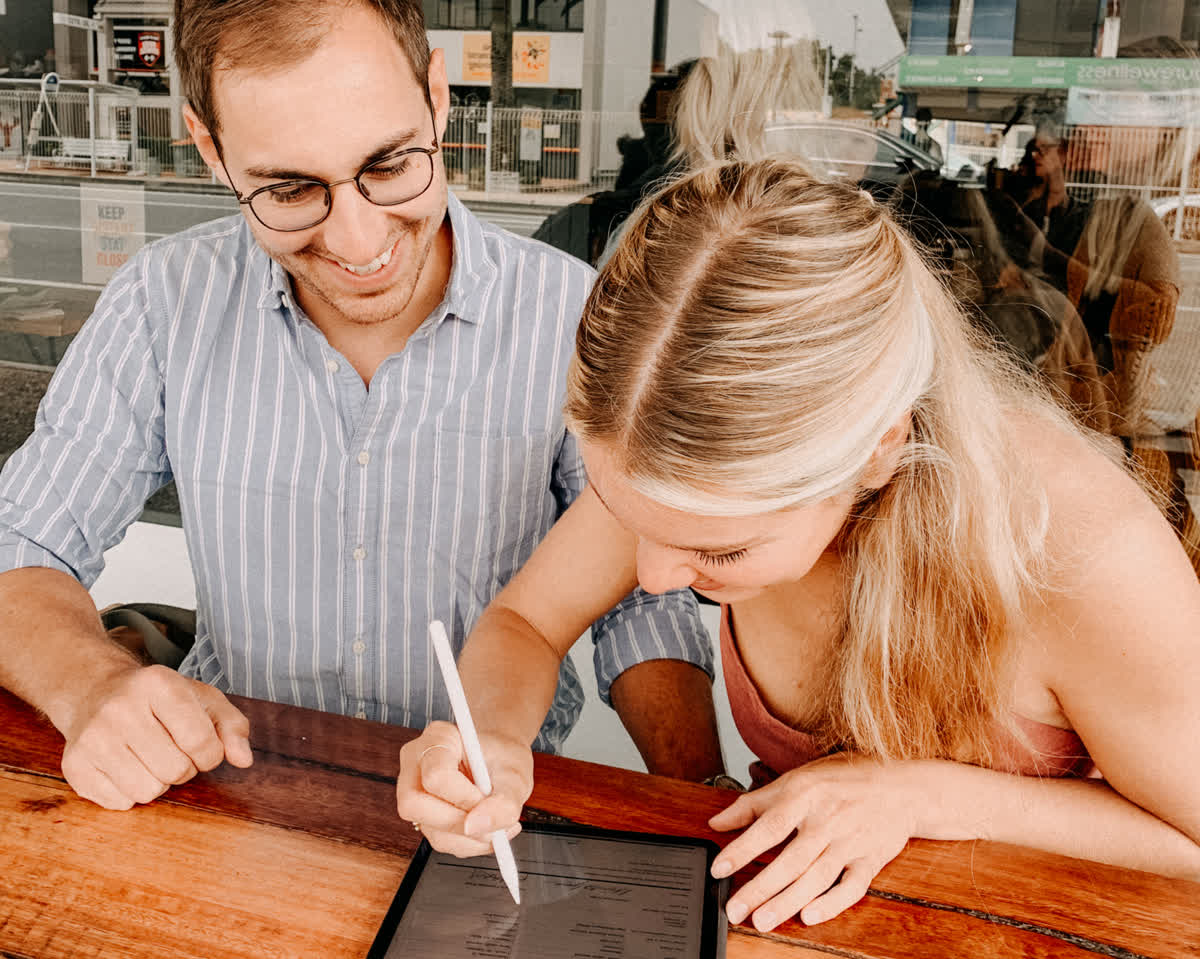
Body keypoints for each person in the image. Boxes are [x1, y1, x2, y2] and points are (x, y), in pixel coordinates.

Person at [397, 157, 1200, 928]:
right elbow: (527, 623)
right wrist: (492, 739)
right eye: (623, 513)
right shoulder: (676, 461)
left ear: (879, 448)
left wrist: (924, 795)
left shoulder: (1084, 552)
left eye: (722, 552)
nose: (652, 573)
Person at [0, 0, 724, 813]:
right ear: (211, 148)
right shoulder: (166, 302)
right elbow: (22, 543)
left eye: (389, 164)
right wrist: (93, 684)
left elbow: (634, 596)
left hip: (483, 809)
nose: (356, 240)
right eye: (288, 189)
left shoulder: (574, 315)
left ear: (437, 96)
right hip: (229, 795)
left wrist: (697, 795)